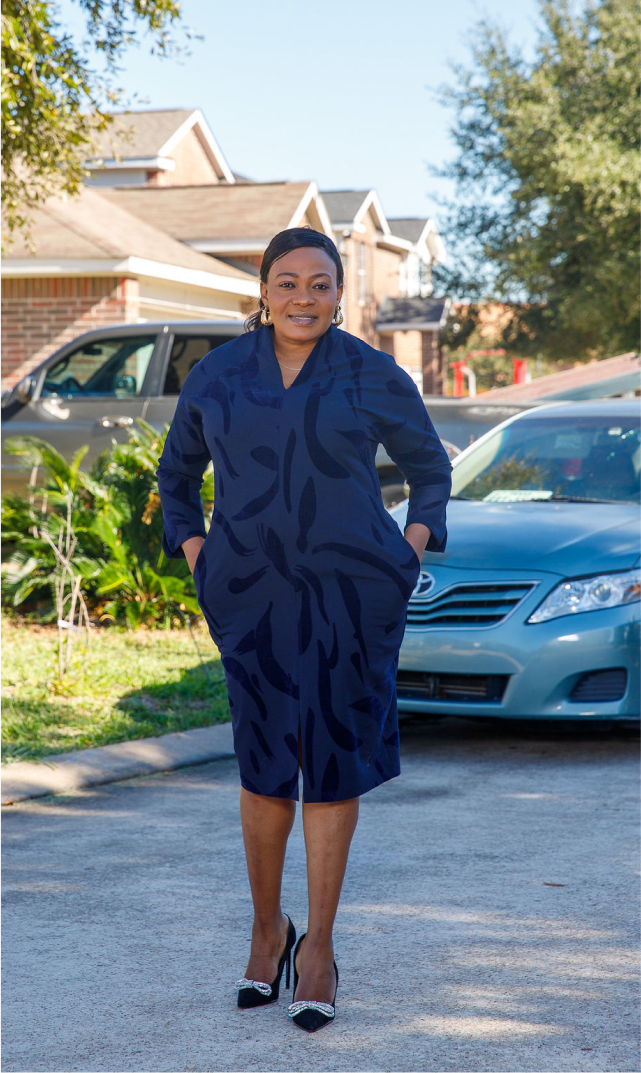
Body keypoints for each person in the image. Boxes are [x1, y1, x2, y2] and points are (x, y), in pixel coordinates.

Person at [157, 227, 451, 1032]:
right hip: (251, 596)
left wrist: (408, 548)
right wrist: (197, 556)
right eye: (287, 283)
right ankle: (266, 928)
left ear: (338, 292)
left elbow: (429, 469)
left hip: (353, 597)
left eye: (319, 285)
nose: (302, 299)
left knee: (330, 764)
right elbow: (176, 476)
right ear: (261, 289)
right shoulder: (217, 376)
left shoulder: (369, 371)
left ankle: (317, 946)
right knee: (261, 767)